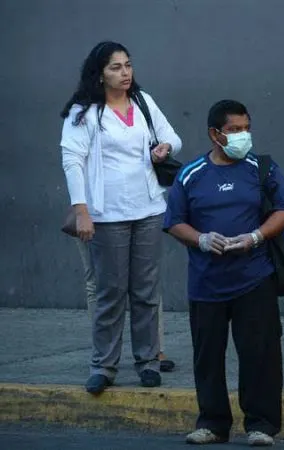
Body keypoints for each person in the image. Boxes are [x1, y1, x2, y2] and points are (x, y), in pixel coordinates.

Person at [165, 100, 284, 446]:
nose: (243, 136)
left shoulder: (261, 168)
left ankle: (262, 425)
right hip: (206, 283)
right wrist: (202, 239)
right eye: (234, 130)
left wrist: (256, 236)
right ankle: (212, 422)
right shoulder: (191, 174)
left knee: (261, 354)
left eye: (246, 128)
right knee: (207, 356)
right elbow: (174, 222)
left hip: (255, 278)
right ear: (215, 134)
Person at [60, 41, 182, 394]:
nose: (125, 72)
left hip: (148, 209)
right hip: (105, 213)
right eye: (116, 67)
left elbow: (172, 136)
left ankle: (147, 361)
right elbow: (73, 161)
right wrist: (82, 211)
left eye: (128, 65)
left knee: (145, 290)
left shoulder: (142, 102)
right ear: (99, 73)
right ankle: (104, 366)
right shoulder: (83, 113)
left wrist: (165, 148)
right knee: (110, 293)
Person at [74, 238, 175, 372]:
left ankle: (155, 351)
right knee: (96, 281)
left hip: (138, 218)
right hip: (93, 221)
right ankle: (103, 353)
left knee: (146, 283)